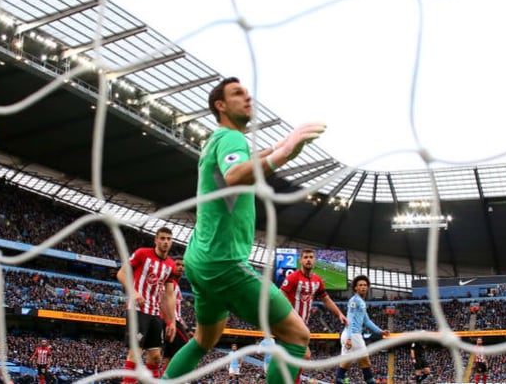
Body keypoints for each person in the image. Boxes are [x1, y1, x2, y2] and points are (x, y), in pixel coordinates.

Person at [162, 77, 326, 384]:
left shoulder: (217, 140)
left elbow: (240, 164)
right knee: (297, 337)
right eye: (238, 94)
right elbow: (235, 175)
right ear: (220, 105)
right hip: (225, 264)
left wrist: (276, 146)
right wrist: (284, 153)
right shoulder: (231, 138)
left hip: (200, 259)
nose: (248, 98)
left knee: (203, 340)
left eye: (248, 93)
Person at [117, 227, 178, 383]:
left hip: (155, 313)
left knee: (156, 357)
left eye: (168, 239)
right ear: (156, 240)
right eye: (162, 238)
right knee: (135, 353)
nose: (165, 242)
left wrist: (171, 321)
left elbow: (168, 295)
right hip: (137, 310)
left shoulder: (171, 265)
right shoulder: (142, 254)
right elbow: (121, 273)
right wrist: (134, 292)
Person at [280, 248, 349, 384]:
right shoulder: (293, 277)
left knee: (300, 357)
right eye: (305, 257)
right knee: (304, 355)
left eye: (311, 257)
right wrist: (285, 314)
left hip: (303, 324)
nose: (308, 259)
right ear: (300, 260)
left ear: (315, 260)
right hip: (291, 323)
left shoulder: (317, 281)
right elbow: (280, 294)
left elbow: (326, 299)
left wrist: (339, 314)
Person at [334, 275, 389, 384]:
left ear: (368, 287)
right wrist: (349, 338)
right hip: (353, 335)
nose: (363, 287)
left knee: (346, 363)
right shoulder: (354, 300)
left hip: (351, 335)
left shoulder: (361, 302)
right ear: (355, 288)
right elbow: (349, 319)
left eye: (365, 285)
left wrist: (380, 331)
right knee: (365, 362)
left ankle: (338, 380)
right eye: (360, 285)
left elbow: (367, 321)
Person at [162, 260, 192, 374]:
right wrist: (170, 323)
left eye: (183, 265)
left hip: (174, 322)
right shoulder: (171, 284)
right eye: (177, 264)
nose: (181, 267)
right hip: (171, 323)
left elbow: (177, 312)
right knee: (186, 351)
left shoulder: (175, 285)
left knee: (168, 358)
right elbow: (165, 304)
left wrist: (187, 329)